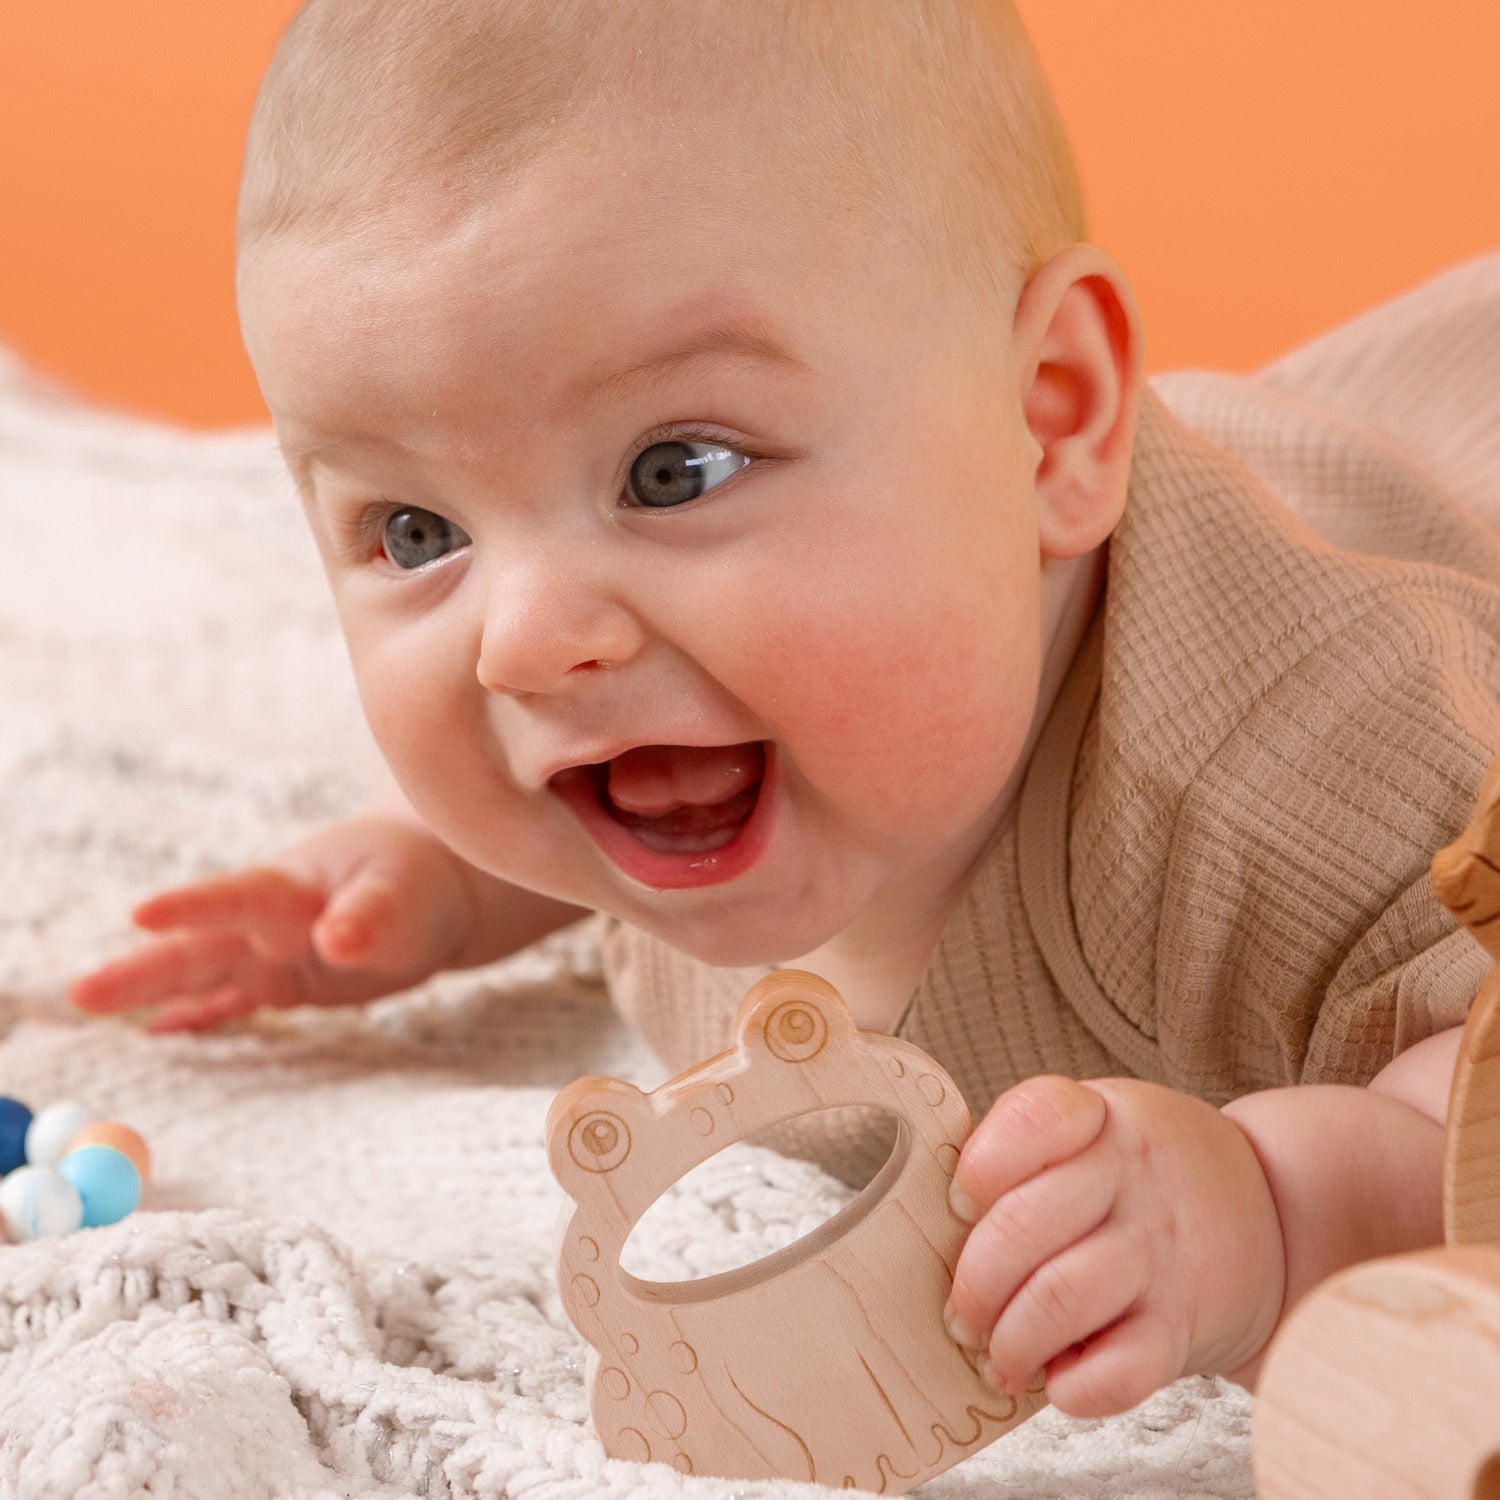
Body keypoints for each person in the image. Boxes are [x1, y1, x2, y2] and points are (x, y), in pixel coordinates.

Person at [69, 0, 1500, 1420]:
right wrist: (441, 880)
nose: (524, 643)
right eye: (415, 532)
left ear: (1047, 419)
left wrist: (1273, 1205)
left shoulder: (1291, 772)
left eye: (676, 470)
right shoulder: (691, 708)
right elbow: (607, 781)